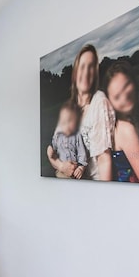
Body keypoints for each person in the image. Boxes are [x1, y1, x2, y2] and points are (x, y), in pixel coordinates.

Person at [48, 44, 115, 180]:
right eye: (82, 66)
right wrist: (61, 166)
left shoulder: (99, 101)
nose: (86, 72)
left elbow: (104, 159)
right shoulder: (69, 108)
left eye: (91, 67)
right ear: (75, 73)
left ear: (95, 73)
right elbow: (53, 150)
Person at [104, 61, 139, 184]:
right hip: (134, 193)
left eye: (126, 86)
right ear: (110, 102)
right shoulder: (124, 129)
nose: (124, 96)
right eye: (117, 96)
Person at [51, 101, 87, 179]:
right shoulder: (58, 135)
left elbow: (82, 153)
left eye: (70, 120)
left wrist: (81, 167)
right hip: (61, 171)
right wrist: (51, 152)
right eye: (63, 121)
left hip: (75, 170)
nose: (66, 124)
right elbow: (53, 149)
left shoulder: (77, 135)